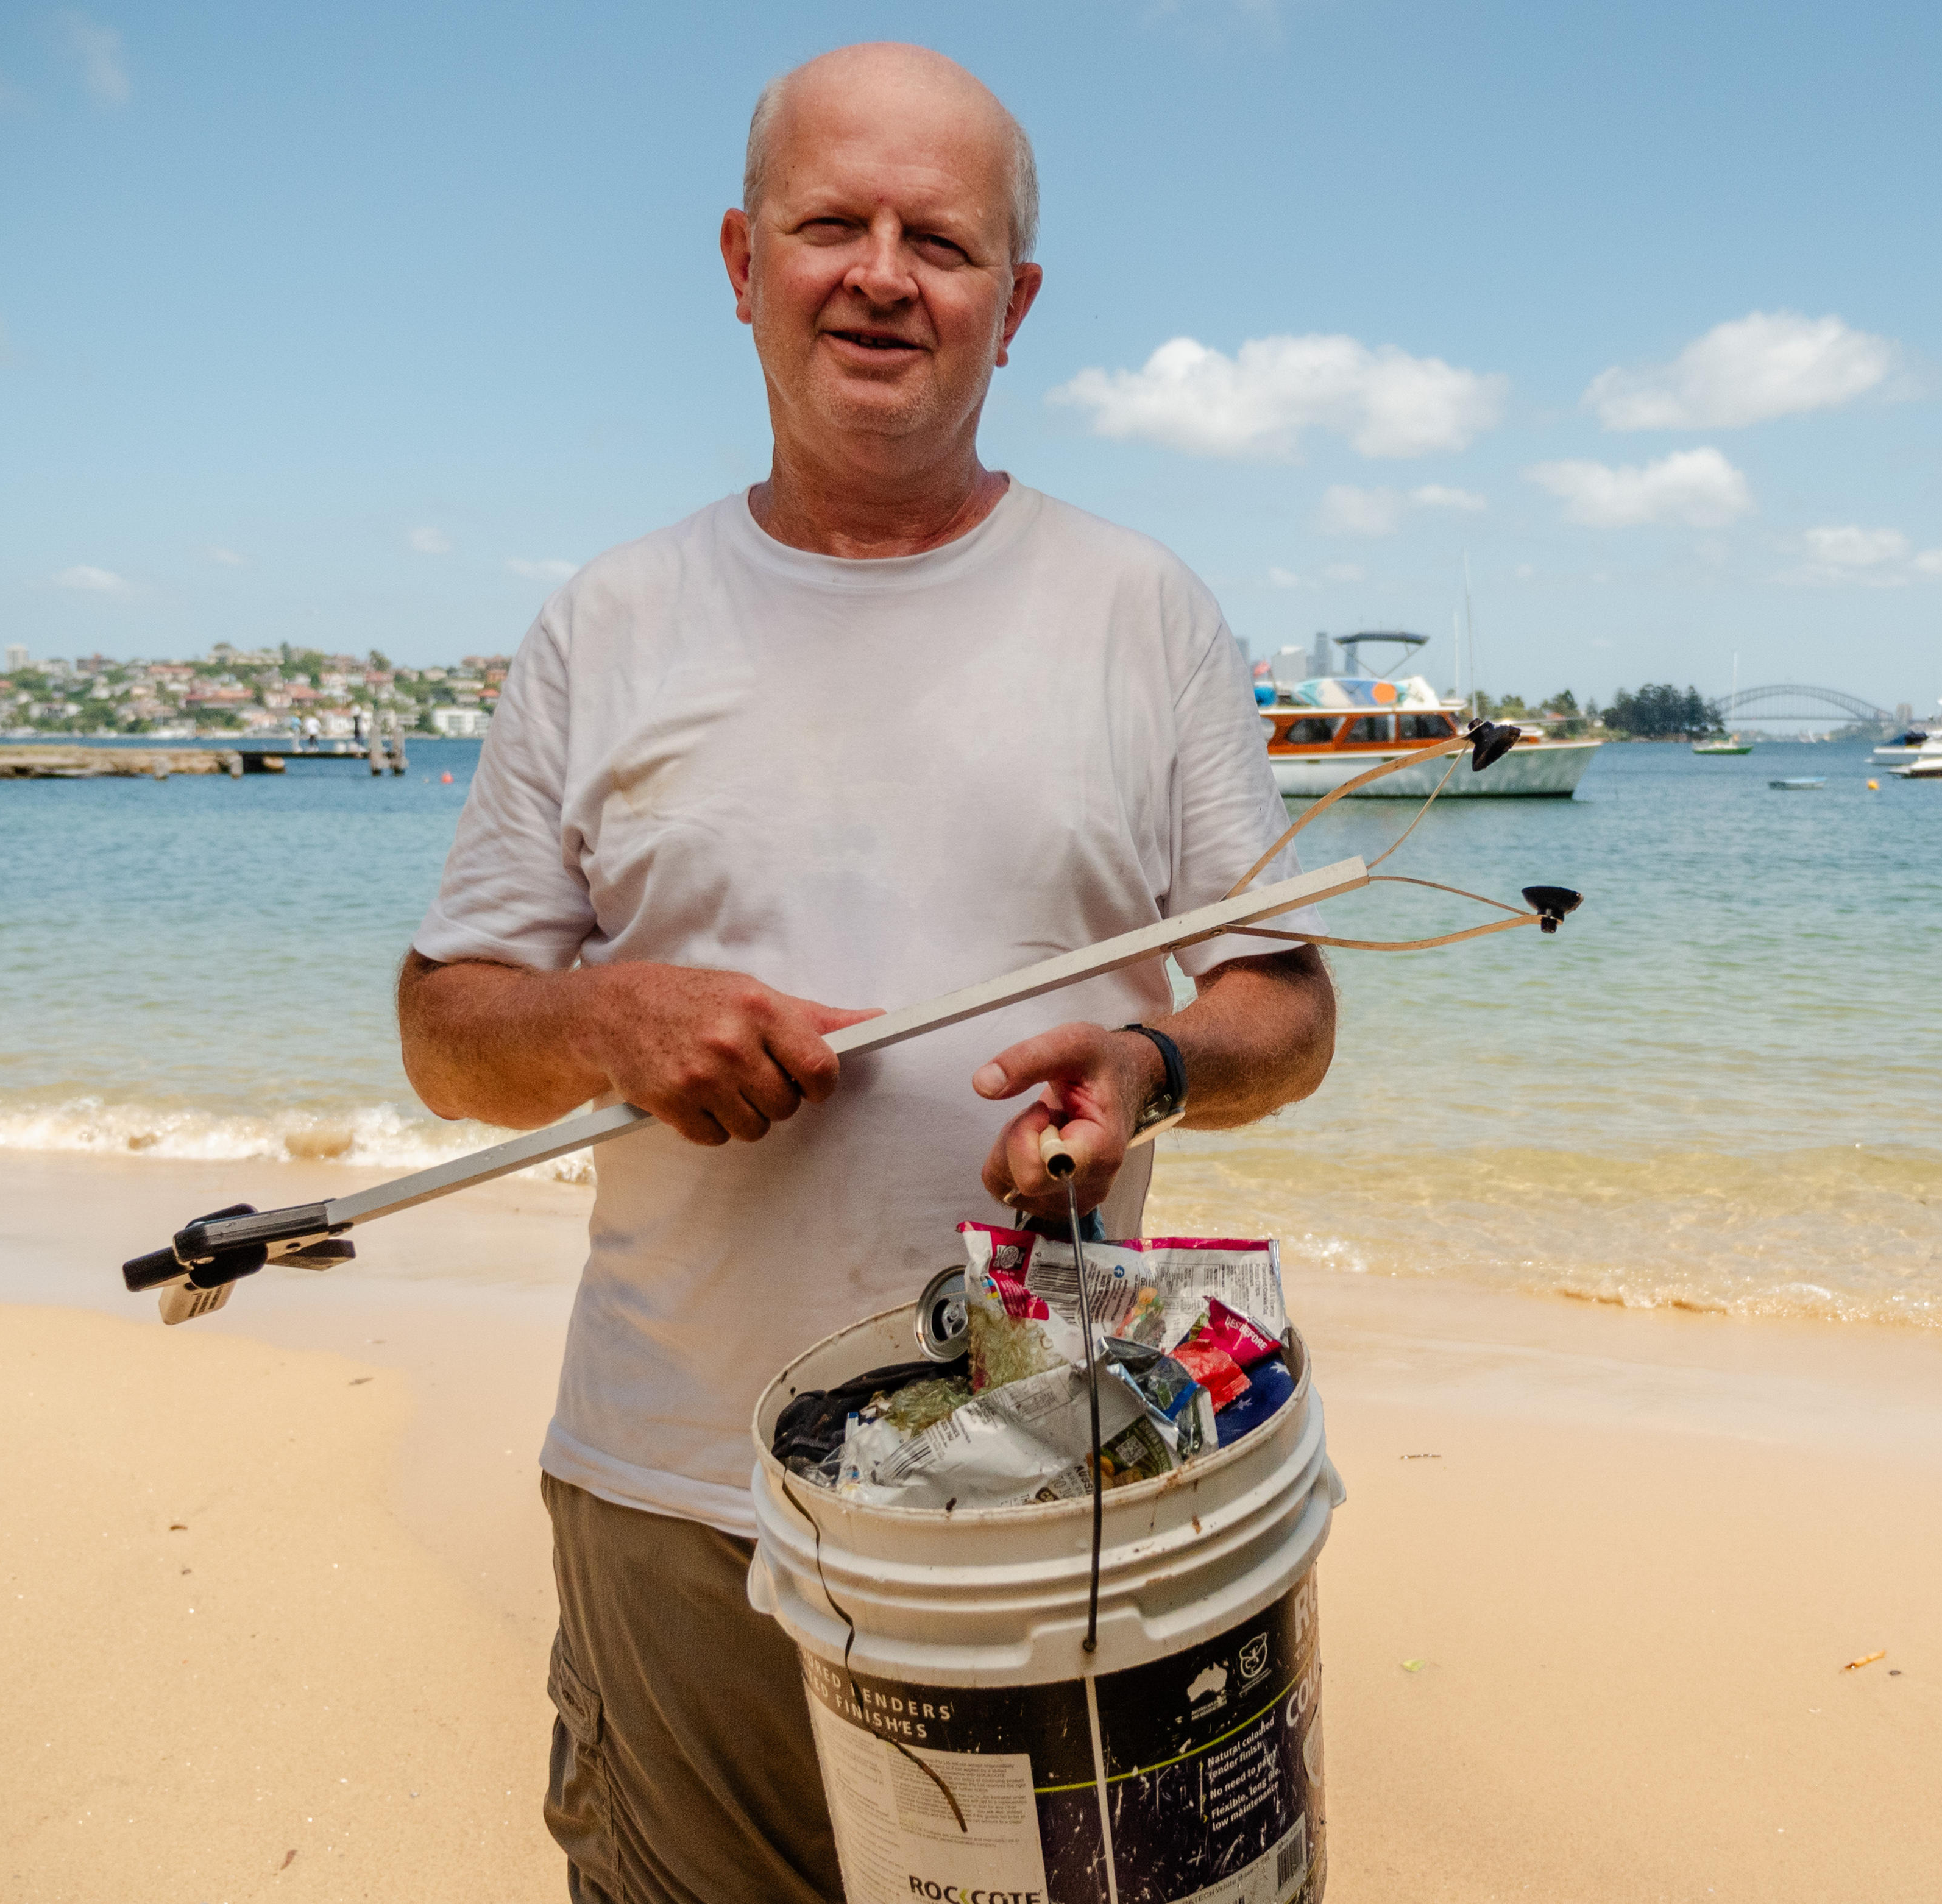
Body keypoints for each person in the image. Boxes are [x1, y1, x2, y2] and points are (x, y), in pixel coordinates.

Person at [393, 43, 1336, 1904]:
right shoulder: (607, 622)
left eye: (943, 240)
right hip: (677, 1495)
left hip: (1056, 1502)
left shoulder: (1144, 610)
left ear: (1019, 302)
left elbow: (1286, 1011)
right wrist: (610, 1019)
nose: (884, 275)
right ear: (744, 261)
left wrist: (1151, 1064)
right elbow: (447, 1036)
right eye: (834, 224)